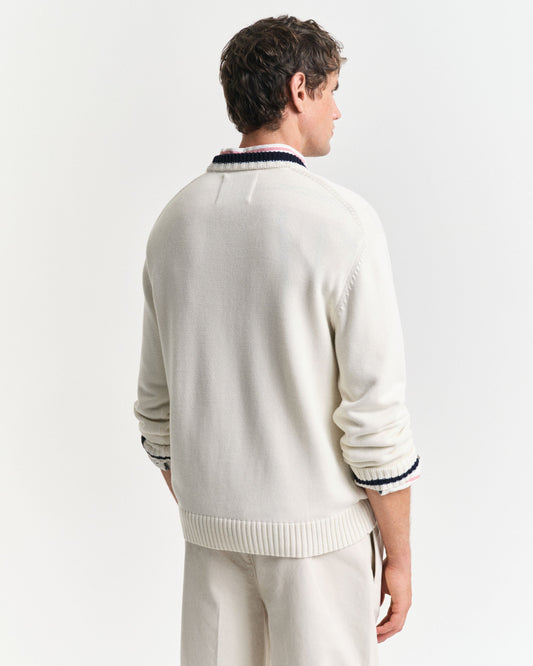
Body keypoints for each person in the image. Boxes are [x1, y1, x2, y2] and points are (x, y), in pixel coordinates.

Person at [133, 14, 421, 666]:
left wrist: (216, 507)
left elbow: (155, 411)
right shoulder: (342, 224)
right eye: (331, 91)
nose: (337, 110)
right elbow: (375, 418)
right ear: (298, 90)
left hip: (210, 540)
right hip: (320, 546)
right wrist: (400, 558)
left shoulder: (173, 223)